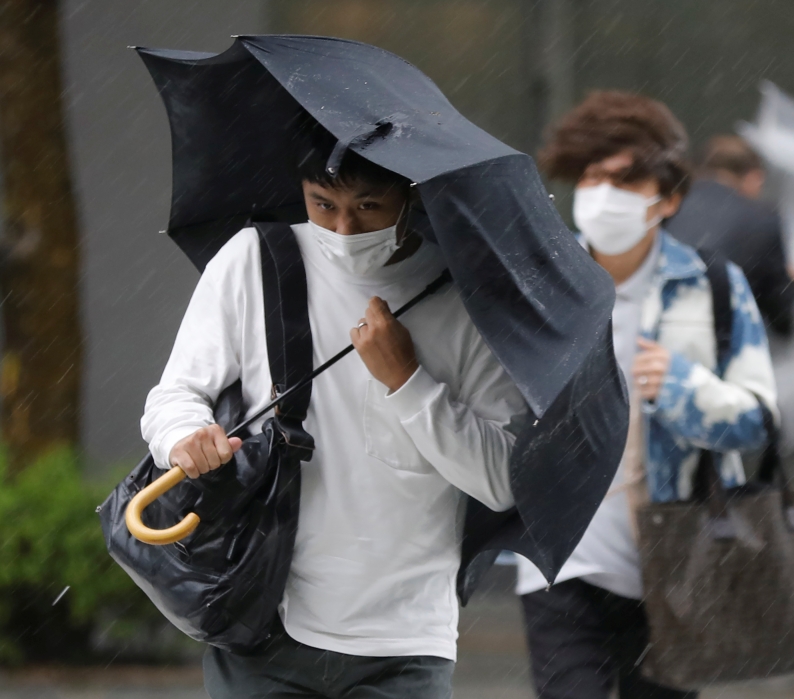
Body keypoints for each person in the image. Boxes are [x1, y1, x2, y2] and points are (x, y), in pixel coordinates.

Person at [141, 119, 526, 698]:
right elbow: (174, 395)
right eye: (323, 204)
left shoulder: (463, 297)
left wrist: (408, 380)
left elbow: (499, 481)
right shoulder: (256, 261)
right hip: (263, 616)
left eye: (369, 206)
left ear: (411, 194)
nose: (344, 229)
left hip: (406, 641)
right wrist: (186, 437)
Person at [515, 92, 778, 699]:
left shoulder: (710, 285)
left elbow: (758, 420)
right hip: (561, 558)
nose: (604, 193)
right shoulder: (545, 288)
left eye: (625, 179)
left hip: (678, 561)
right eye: (592, 176)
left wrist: (686, 390)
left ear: (669, 199)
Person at [668, 134, 794, 336]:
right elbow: (782, 315)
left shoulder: (668, 204)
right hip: (715, 338)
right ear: (754, 177)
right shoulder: (762, 218)